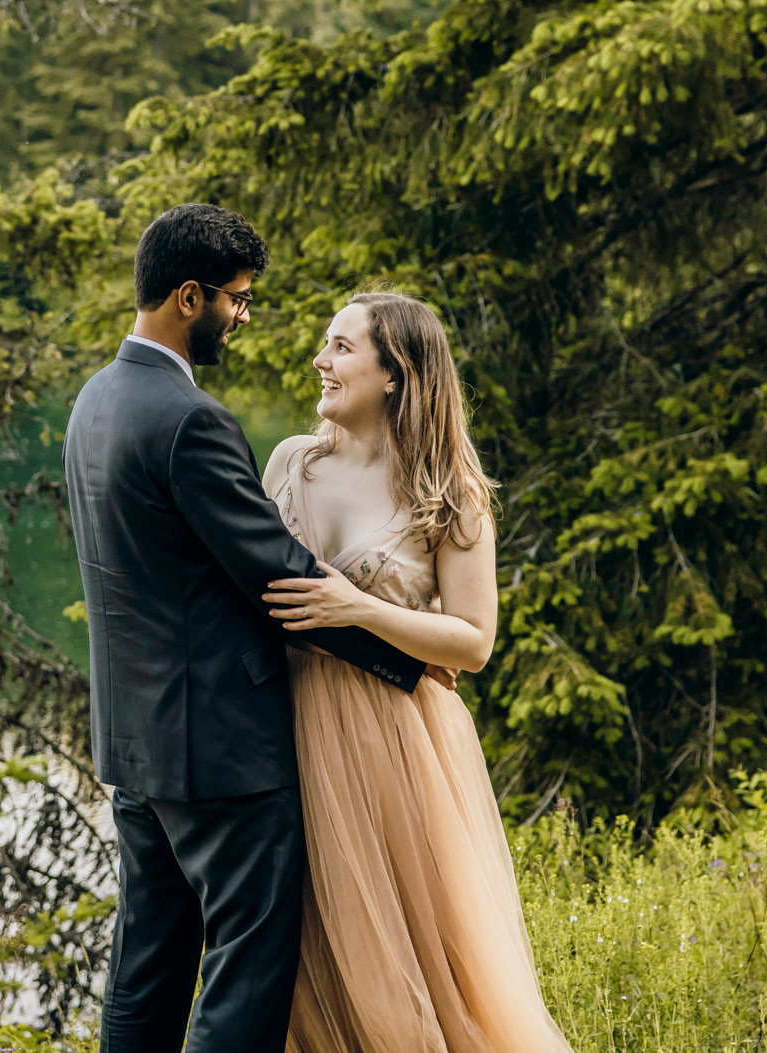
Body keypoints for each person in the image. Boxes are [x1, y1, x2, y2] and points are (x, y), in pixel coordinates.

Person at [63, 204, 437, 1053]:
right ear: (188, 297)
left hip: (135, 745)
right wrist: (409, 654)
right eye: (236, 298)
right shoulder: (191, 420)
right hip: (223, 753)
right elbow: (278, 572)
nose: (242, 315)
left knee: (147, 970)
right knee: (246, 971)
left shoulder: (96, 399)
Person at [262, 291, 573, 1052]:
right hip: (284, 732)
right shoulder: (289, 462)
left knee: (417, 970)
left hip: (395, 746)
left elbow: (472, 642)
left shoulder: (450, 494)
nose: (320, 361)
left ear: (395, 372)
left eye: (340, 347)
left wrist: (357, 610)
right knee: (302, 967)